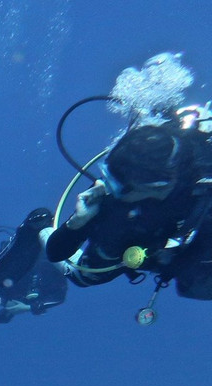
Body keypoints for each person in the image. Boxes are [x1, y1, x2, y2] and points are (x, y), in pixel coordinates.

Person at [45, 119, 212, 301]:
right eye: (108, 175)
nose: (108, 187)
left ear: (158, 187)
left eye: (119, 186)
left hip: (192, 229)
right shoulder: (115, 209)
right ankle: (40, 229)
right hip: (142, 241)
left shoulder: (201, 160)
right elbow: (56, 253)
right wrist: (77, 222)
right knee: (83, 277)